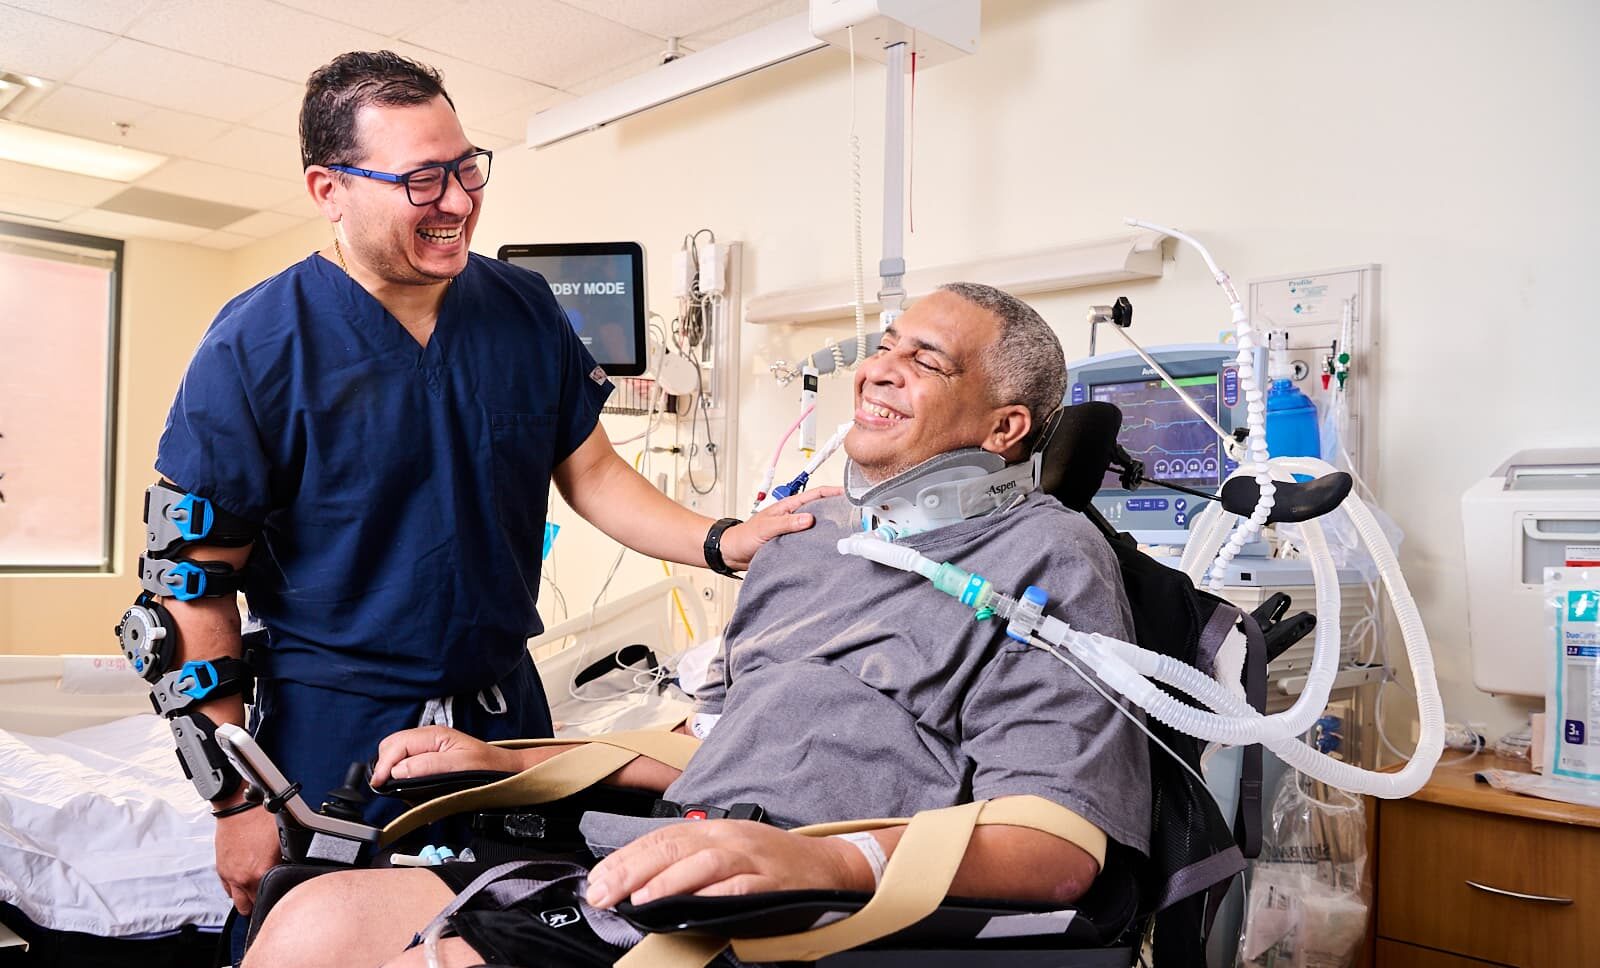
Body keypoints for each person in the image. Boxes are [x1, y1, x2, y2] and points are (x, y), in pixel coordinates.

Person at [242, 282, 1153, 968]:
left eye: (926, 361)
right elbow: (717, 737)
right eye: (885, 345)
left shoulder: (1048, 558)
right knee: (308, 919)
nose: (878, 369)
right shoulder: (808, 543)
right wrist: (516, 760)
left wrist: (824, 861)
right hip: (670, 846)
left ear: (1005, 428)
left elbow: (1057, 845)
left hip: (785, 902)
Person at [140, 49, 830, 929]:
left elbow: (593, 472)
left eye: (467, 168)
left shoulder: (522, 306)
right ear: (328, 189)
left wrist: (719, 539)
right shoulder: (257, 346)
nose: (459, 202)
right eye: (424, 179)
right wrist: (235, 804)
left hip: (505, 715)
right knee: (329, 939)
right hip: (335, 729)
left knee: (517, 938)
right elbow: (191, 583)